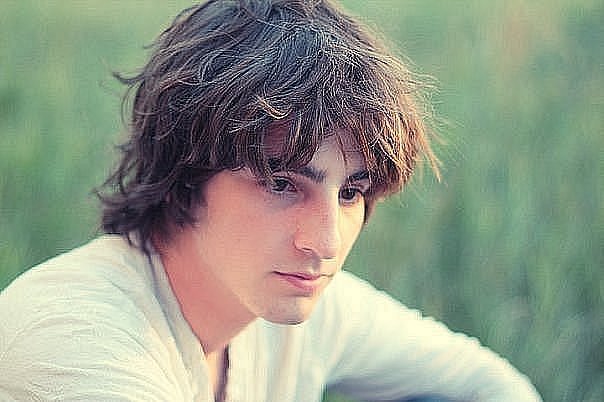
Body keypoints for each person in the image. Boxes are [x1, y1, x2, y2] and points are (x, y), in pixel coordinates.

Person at [0, 1, 542, 401]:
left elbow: (492, 385)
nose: (324, 243)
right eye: (282, 184)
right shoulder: (74, 335)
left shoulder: (305, 308)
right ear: (187, 171)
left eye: (350, 192)